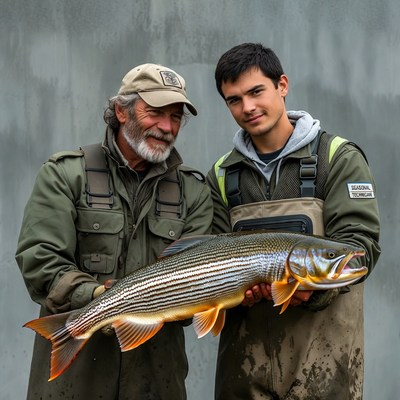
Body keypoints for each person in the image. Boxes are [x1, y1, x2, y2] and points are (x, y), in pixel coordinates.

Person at [16, 63, 213, 400]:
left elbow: (198, 285)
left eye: (176, 117)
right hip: (73, 384)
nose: (166, 127)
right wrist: (98, 299)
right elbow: (40, 262)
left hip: (156, 383)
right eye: (155, 113)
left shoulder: (194, 191)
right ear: (121, 111)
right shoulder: (65, 175)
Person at [206, 43, 381, 400]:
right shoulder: (222, 174)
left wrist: (309, 292)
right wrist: (241, 294)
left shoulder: (337, 158)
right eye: (234, 100)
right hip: (243, 372)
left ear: (282, 85)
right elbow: (210, 259)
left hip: (324, 370)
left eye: (256, 92)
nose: (248, 107)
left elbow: (360, 248)